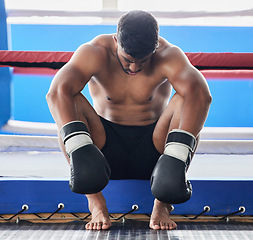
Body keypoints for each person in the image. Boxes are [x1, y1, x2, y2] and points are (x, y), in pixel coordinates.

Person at [46, 10, 212, 231]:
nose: (134, 68)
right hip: (103, 147)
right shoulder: (95, 52)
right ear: (116, 40)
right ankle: (95, 202)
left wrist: (178, 155)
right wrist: (78, 146)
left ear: (154, 49)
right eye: (128, 60)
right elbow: (56, 92)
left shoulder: (168, 55)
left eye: (142, 61)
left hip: (155, 147)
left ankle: (162, 204)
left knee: (189, 97)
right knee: (68, 100)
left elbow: (201, 95)